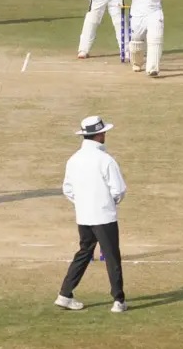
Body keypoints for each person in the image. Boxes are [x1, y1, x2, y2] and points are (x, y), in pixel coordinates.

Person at [55, 116, 128, 313]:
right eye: (103, 132)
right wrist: (107, 203)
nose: (105, 135)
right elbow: (119, 190)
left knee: (84, 252)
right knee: (112, 257)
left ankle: (64, 294)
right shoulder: (106, 160)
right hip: (104, 217)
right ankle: (118, 300)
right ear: (99, 134)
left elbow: (68, 189)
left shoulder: (74, 160)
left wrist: (84, 204)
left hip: (84, 216)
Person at [127, 0, 178, 77]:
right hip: (138, 15)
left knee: (156, 39)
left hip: (155, 12)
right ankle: (137, 63)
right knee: (136, 42)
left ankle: (152, 68)